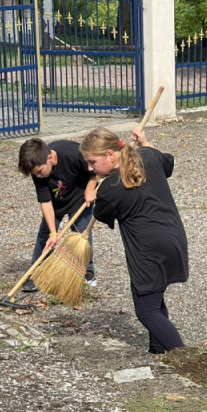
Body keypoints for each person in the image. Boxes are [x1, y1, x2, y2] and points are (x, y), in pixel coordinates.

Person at [80, 127, 188, 354]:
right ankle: (158, 351)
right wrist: (146, 143)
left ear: (111, 155)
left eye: (92, 162)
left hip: (147, 250)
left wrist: (98, 189)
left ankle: (186, 358)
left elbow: (101, 214)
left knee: (146, 310)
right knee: (155, 299)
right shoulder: (147, 156)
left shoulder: (110, 189)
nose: (90, 168)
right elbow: (166, 163)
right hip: (174, 238)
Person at [18, 138, 98, 292]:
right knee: (45, 235)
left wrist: (90, 188)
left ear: (50, 158)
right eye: (36, 174)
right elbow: (45, 202)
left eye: (40, 172)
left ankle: (87, 271)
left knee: (82, 234)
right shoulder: (37, 169)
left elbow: (94, 171)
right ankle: (37, 272)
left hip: (80, 198)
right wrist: (53, 233)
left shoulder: (74, 153)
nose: (39, 176)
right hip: (55, 203)